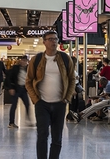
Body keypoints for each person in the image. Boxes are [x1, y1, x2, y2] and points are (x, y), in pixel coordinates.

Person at [25, 30, 76, 159]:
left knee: (57, 136)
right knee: (42, 134)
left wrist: (67, 97)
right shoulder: (36, 60)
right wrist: (35, 99)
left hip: (60, 103)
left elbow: (72, 79)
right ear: (44, 42)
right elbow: (28, 81)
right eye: (51, 39)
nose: (54, 41)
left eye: (55, 39)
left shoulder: (65, 58)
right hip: (42, 104)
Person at [5, 55, 33, 128]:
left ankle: (28, 120)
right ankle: (11, 123)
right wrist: (10, 88)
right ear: (20, 61)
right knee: (14, 106)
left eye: (25, 61)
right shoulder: (15, 68)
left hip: (23, 89)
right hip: (16, 89)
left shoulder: (28, 69)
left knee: (27, 104)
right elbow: (9, 78)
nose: (24, 62)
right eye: (23, 60)